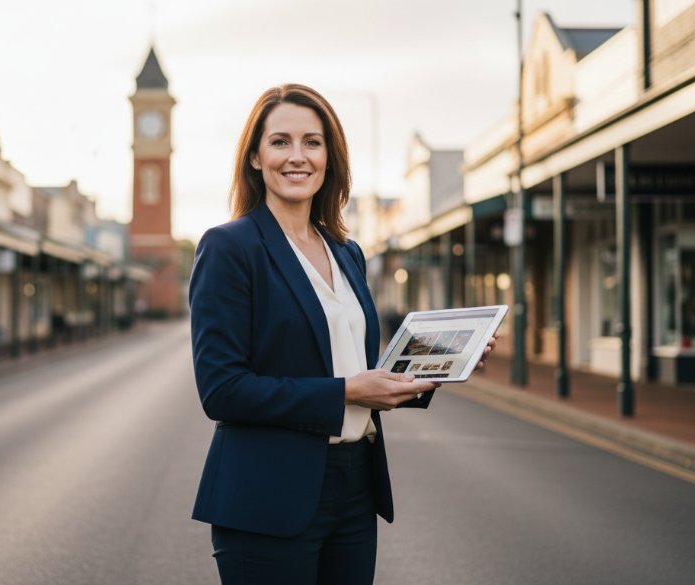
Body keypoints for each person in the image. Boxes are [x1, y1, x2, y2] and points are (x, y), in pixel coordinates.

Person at [188, 84, 496, 585]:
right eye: (280, 141)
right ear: (255, 157)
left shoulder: (347, 252)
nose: (297, 156)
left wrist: (439, 365)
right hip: (268, 495)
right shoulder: (230, 247)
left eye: (312, 142)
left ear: (329, 157)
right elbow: (222, 390)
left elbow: (355, 366)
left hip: (355, 487)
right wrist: (347, 392)